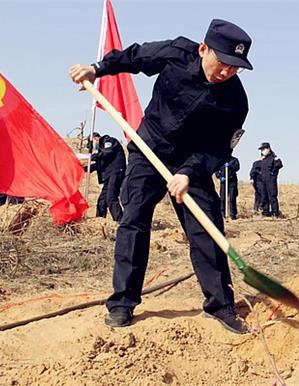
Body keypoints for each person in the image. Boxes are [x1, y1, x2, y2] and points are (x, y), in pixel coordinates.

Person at [70, 18, 252, 333]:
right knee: (134, 221)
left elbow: (219, 149)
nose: (227, 71)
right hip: (148, 146)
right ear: (203, 48)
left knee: (206, 229)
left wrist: (188, 173)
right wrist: (97, 68)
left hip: (190, 163)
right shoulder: (176, 52)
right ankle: (122, 303)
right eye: (222, 62)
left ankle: (220, 306)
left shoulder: (235, 100)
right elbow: (135, 57)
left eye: (235, 67)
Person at [89, 132, 126, 222]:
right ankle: (100, 221)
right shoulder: (102, 151)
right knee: (102, 200)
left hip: (116, 173)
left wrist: (91, 157)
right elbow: (99, 165)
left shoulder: (109, 141)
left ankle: (121, 221)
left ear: (95, 139)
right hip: (109, 176)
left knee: (111, 197)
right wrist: (83, 168)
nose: (94, 147)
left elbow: (107, 153)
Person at [257, 142, 283, 217]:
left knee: (272, 196)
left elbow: (279, 165)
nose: (262, 151)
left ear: (268, 149)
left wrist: (273, 173)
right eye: (261, 150)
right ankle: (266, 213)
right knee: (264, 196)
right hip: (263, 180)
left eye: (263, 149)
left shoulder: (274, 158)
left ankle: (275, 213)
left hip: (271, 180)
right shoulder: (262, 160)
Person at [215, 155, 240, 220]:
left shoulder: (234, 160)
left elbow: (237, 167)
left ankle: (233, 214)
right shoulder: (220, 160)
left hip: (232, 181)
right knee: (223, 198)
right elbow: (216, 171)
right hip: (224, 181)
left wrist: (230, 166)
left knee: (232, 198)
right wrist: (220, 177)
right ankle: (222, 213)